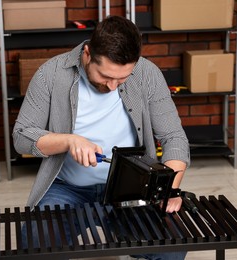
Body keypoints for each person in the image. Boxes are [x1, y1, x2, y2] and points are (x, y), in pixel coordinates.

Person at [13, 15, 190, 260]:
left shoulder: (147, 74)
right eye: (105, 76)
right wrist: (69, 140)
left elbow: (174, 137)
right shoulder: (50, 75)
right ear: (87, 54)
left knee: (171, 250)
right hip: (67, 188)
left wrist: (168, 188)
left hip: (131, 190)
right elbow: (21, 136)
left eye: (123, 78)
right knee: (33, 246)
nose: (113, 86)